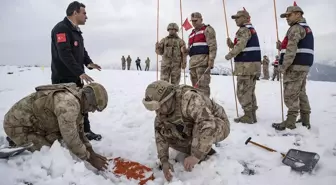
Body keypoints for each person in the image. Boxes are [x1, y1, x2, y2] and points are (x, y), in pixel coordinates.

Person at [3, 82, 109, 171]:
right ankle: (16, 139)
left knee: (58, 140)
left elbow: (79, 132)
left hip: (34, 123)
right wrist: (90, 159)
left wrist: (90, 151)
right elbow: (71, 138)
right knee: (51, 152)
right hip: (16, 126)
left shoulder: (78, 101)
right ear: (89, 100)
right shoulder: (69, 104)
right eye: (94, 107)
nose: (93, 111)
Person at [142, 80, 230, 182]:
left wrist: (196, 155)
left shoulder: (189, 99)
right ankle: (200, 147)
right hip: (198, 124)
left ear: (168, 99)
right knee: (166, 130)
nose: (158, 112)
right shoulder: (163, 111)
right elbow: (159, 134)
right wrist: (164, 160)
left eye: (159, 107)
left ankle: (202, 152)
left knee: (199, 128)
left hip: (218, 123)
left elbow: (207, 124)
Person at [50, 1, 102, 141]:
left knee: (83, 104)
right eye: (84, 13)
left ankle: (85, 131)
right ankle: (66, 135)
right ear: (75, 13)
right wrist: (79, 71)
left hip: (76, 76)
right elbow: (64, 54)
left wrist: (89, 63)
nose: (86, 16)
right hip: (63, 79)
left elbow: (81, 51)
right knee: (67, 108)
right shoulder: (61, 29)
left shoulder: (76, 30)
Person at [272, 2, 313, 130]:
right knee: (301, 92)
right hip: (303, 66)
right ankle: (305, 119)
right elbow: (294, 46)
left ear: (298, 14)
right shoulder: (305, 27)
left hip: (294, 66)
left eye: (289, 15)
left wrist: (283, 67)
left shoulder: (295, 28)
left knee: (290, 94)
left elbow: (291, 50)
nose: (287, 18)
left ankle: (290, 122)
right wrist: (281, 46)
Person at [225, 9, 262, 124]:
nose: (236, 20)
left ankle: (248, 115)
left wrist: (230, 54)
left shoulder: (244, 29)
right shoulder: (250, 29)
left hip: (246, 65)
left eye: (238, 17)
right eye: (235, 18)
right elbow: (244, 45)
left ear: (246, 18)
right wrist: (232, 45)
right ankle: (252, 114)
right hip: (253, 65)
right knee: (249, 90)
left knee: (242, 90)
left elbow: (241, 45)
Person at [185, 12, 217, 97]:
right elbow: (190, 49)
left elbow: (212, 46)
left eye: (196, 20)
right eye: (192, 21)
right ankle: (198, 107)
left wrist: (211, 60)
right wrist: (185, 50)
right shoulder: (191, 34)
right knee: (195, 88)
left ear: (201, 19)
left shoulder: (207, 29)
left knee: (203, 87)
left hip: (203, 63)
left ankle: (205, 107)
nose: (194, 23)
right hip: (193, 64)